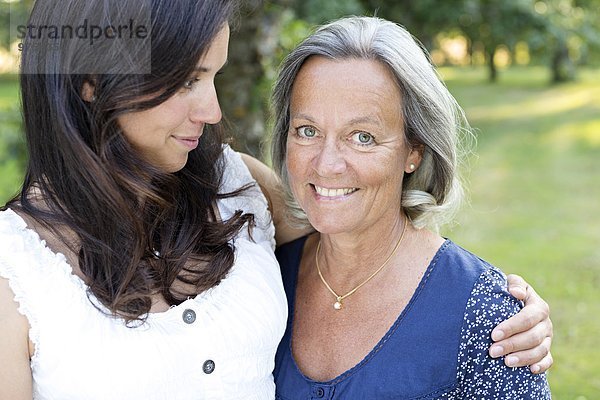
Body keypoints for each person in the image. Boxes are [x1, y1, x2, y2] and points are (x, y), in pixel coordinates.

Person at [0, 1, 550, 399]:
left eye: (213, 76)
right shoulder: (16, 270)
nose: (213, 111)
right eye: (189, 79)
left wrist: (492, 302)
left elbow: (367, 233)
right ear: (93, 80)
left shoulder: (236, 183)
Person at [270, 16, 551, 398]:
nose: (326, 164)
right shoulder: (262, 275)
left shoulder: (488, 315)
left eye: (362, 137)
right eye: (308, 131)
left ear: (414, 151)